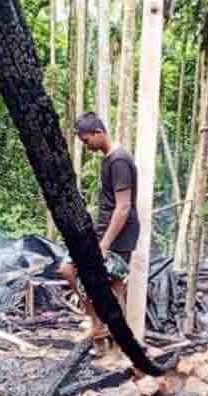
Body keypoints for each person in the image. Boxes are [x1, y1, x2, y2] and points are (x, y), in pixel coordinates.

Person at [58, 112, 140, 342]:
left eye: (86, 141)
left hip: (119, 234)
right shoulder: (110, 159)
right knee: (67, 268)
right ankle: (96, 323)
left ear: (99, 132)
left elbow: (123, 207)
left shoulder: (119, 160)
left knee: (115, 287)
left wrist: (104, 244)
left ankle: (120, 343)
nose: (86, 146)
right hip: (104, 228)